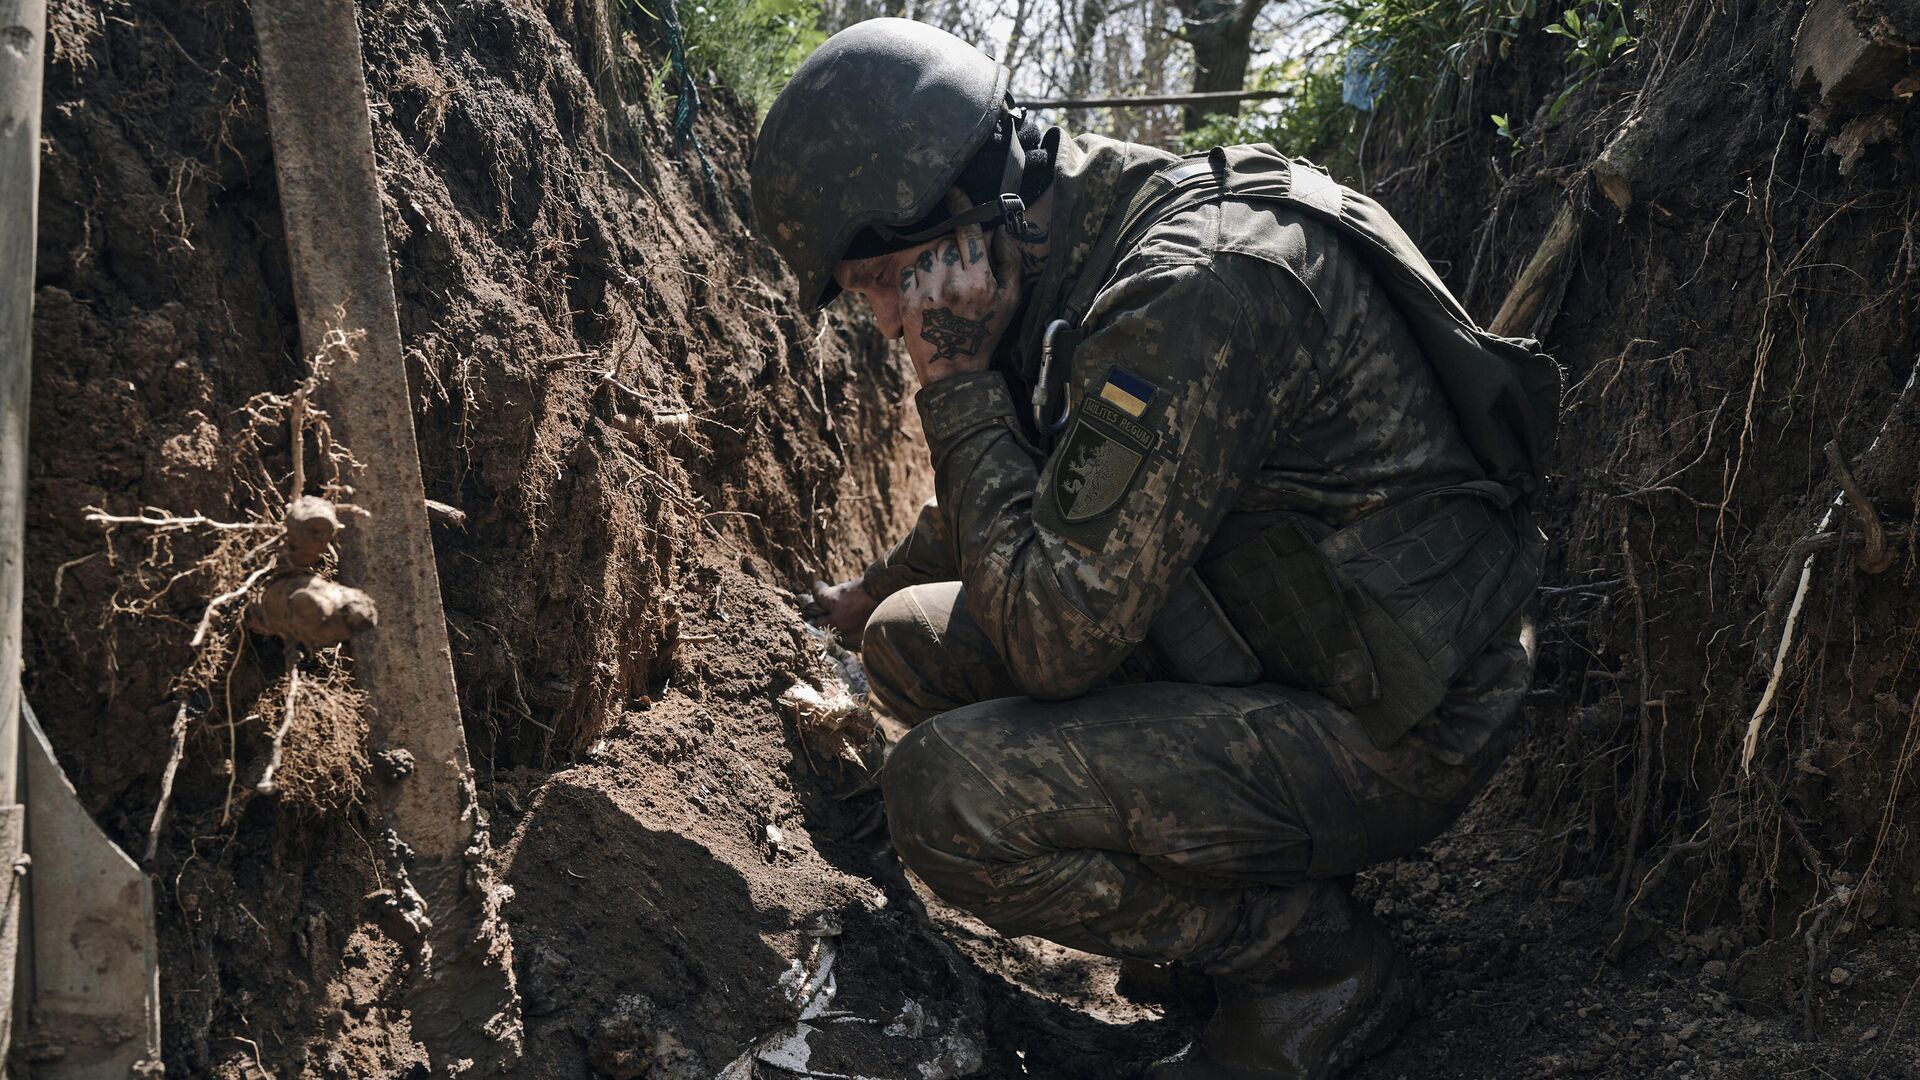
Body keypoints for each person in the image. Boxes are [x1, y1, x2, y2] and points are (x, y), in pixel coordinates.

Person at [749, 18, 1551, 1079]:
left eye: (889, 283)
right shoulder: (1069, 241)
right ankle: (1217, 891)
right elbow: (1044, 484)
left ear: (962, 214)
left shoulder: (1184, 293)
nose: (896, 323)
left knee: (945, 796)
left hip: (1400, 718)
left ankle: (1312, 968)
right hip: (1288, 647)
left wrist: (955, 387)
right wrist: (867, 592)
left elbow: (1052, 647)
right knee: (906, 639)